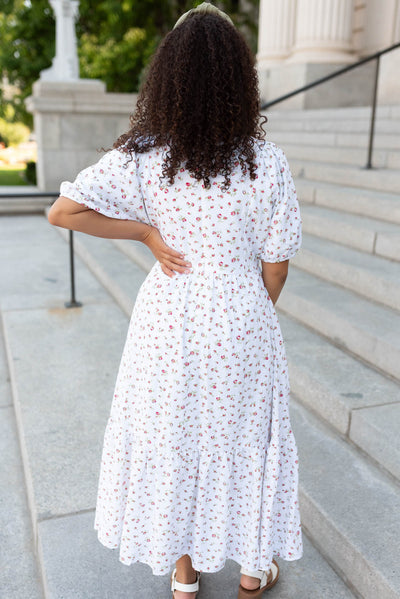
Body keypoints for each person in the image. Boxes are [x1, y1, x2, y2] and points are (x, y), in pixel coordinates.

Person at [48, 3, 303, 598]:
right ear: (240, 79)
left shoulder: (145, 156)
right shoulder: (266, 162)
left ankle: (184, 575)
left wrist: (144, 232)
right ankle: (248, 569)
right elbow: (277, 266)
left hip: (170, 318)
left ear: (169, 77)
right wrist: (248, 307)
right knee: (243, 438)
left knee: (177, 439)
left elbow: (62, 209)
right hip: (242, 316)